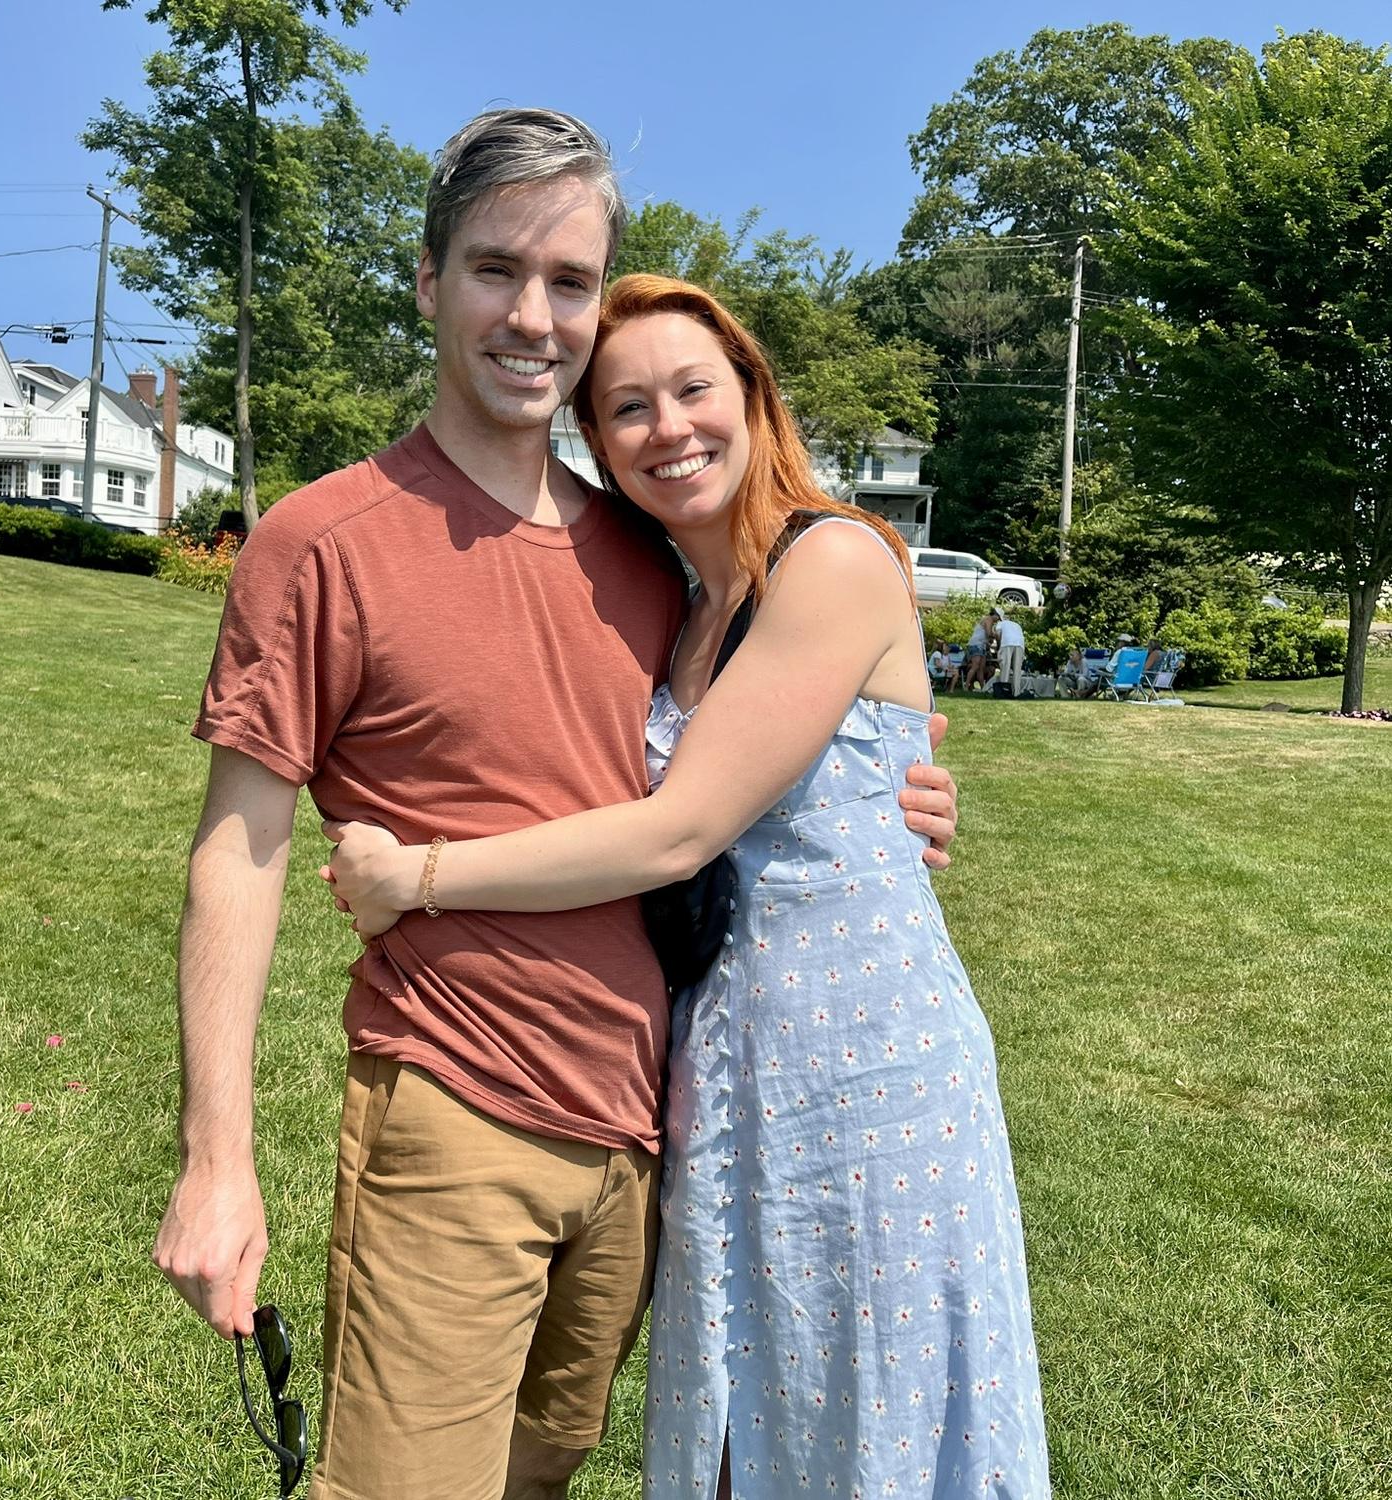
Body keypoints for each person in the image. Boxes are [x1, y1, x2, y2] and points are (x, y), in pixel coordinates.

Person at [152, 109, 960, 1500]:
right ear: (428, 282)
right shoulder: (323, 540)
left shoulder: (646, 554)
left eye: (569, 281)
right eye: (495, 270)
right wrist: (214, 1161)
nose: (533, 317)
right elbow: (241, 850)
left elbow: (744, 763)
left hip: (647, 1133)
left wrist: (898, 795)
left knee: (542, 1479)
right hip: (453, 1109)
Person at [326, 276, 1050, 1499]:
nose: (669, 428)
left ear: (752, 395)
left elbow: (681, 830)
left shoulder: (836, 559)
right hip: (724, 1065)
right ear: (598, 442)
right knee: (745, 1414)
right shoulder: (680, 608)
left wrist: (421, 874)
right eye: (627, 408)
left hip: (868, 1065)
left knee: (867, 1403)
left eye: (693, 389)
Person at [996, 610, 1026, 693]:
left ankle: (1004, 690)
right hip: (1020, 644)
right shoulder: (1017, 625)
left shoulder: (1000, 623)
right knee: (1017, 669)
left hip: (1007, 643)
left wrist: (998, 647)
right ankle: (1016, 692)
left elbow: (998, 635)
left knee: (1005, 667)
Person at [962, 612, 992, 690]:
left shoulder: (985, 621)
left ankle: (983, 688)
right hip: (976, 645)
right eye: (998, 618)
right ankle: (966, 686)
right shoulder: (988, 619)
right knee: (975, 666)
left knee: (981, 668)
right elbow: (989, 633)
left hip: (982, 646)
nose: (998, 620)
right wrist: (996, 635)